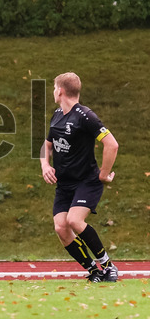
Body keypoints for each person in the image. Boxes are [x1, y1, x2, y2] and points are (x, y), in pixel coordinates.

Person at [40, 72, 119, 282]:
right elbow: (47, 145)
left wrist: (103, 173)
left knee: (74, 220)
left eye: (54, 87)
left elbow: (112, 144)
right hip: (64, 185)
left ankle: (109, 266)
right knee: (60, 227)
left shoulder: (85, 116)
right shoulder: (57, 115)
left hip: (86, 182)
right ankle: (94, 271)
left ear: (61, 91)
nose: (53, 91)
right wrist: (45, 164)